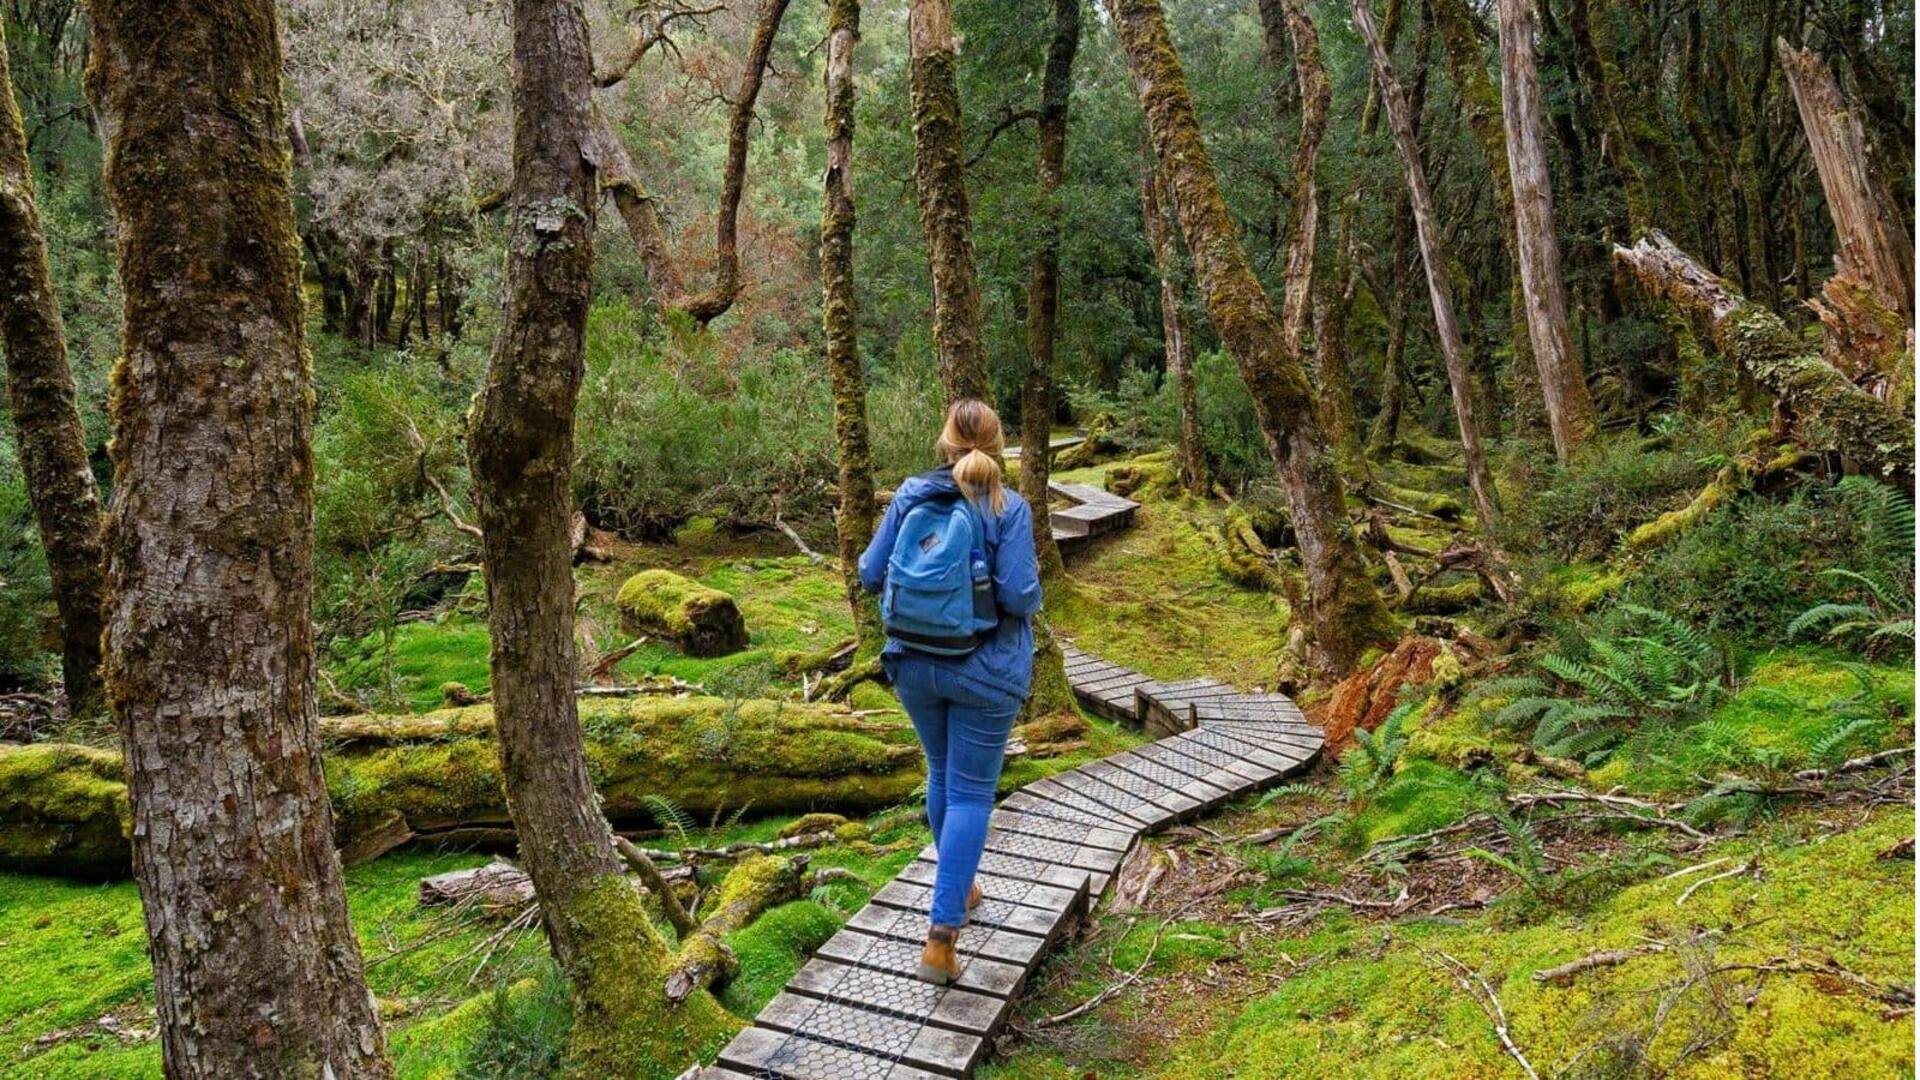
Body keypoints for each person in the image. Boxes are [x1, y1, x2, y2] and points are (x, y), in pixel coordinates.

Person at [859, 398, 1042, 985]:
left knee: (941, 774)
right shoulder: (1008, 507)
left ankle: (959, 891)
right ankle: (940, 940)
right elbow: (1018, 597)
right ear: (996, 442)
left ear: (945, 441)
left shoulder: (912, 493)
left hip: (913, 663)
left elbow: (868, 572)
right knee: (968, 794)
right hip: (985, 670)